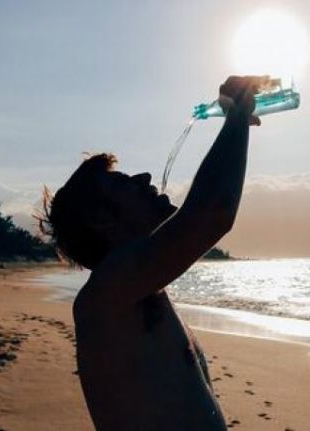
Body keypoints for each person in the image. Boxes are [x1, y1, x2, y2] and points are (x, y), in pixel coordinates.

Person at [39, 76, 267, 430]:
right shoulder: (104, 296)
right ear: (103, 222)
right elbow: (212, 213)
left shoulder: (141, 289)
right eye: (122, 183)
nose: (144, 177)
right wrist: (235, 117)